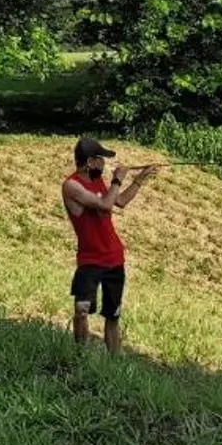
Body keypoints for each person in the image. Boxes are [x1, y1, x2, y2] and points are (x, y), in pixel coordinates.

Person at [63, 136, 154, 353]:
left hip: (114, 258)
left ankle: (113, 362)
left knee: (113, 315)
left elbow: (119, 201)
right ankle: (79, 356)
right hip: (90, 259)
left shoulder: (98, 182)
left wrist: (139, 180)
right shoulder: (72, 185)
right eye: (101, 159)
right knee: (82, 309)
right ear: (90, 161)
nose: (104, 164)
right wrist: (117, 180)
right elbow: (105, 203)